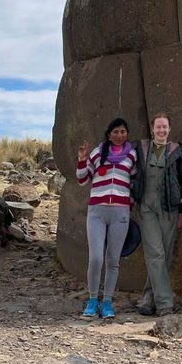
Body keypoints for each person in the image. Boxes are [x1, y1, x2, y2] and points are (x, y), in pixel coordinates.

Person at [76, 117, 137, 320]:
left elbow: (135, 184)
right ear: (109, 134)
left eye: (123, 132)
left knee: (113, 260)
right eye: (115, 132)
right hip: (97, 212)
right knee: (95, 258)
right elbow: (83, 180)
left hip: (120, 213)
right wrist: (82, 159)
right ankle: (93, 299)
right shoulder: (97, 152)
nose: (119, 136)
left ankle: (108, 302)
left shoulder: (132, 156)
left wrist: (129, 205)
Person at [131, 113, 182, 317]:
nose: (161, 131)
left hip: (169, 208)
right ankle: (165, 304)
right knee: (155, 254)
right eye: (158, 127)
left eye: (165, 127)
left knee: (165, 256)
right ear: (152, 129)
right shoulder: (141, 148)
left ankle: (147, 298)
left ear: (169, 129)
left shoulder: (177, 151)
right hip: (146, 207)